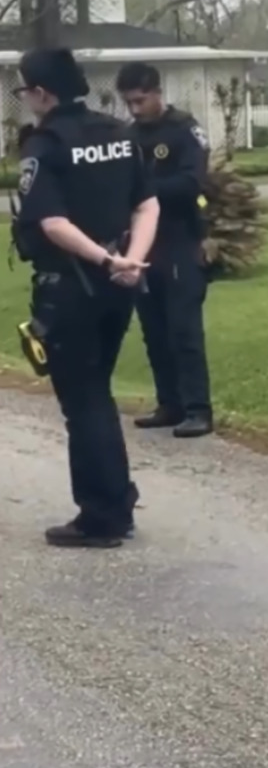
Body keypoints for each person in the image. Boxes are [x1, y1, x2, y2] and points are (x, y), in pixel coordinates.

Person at [14, 47, 159, 547]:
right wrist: (130, 261)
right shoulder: (117, 133)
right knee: (98, 389)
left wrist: (103, 260)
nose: (25, 99)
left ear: (42, 92)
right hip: (118, 287)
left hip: (72, 286)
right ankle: (118, 498)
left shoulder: (45, 144)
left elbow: (52, 223)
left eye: (24, 90)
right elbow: (147, 204)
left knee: (84, 400)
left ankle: (101, 516)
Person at [115, 62, 213, 439]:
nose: (135, 110)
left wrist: (146, 195)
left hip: (179, 239)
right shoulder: (127, 136)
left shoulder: (184, 130)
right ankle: (169, 403)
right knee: (153, 329)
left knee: (183, 329)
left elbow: (193, 181)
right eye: (129, 103)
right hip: (142, 247)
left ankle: (198, 408)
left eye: (140, 101)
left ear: (157, 92)